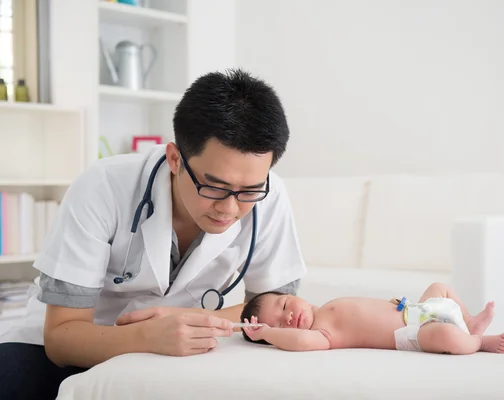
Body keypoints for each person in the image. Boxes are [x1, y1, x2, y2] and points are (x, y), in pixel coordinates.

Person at [0, 69, 306, 400]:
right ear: (175, 159)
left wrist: (193, 321)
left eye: (249, 190)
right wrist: (146, 337)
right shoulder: (102, 187)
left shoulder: (270, 196)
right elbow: (61, 338)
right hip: (76, 346)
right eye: (214, 187)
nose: (230, 209)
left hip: (176, 352)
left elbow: (275, 313)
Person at [240, 282, 504, 354]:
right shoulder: (323, 334)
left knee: (440, 287)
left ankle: (470, 320)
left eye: (285, 304)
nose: (287, 318)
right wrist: (266, 334)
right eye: (278, 324)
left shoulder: (326, 306)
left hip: (416, 310)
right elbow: (299, 341)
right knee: (447, 337)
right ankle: (477, 341)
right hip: (413, 334)